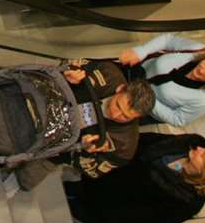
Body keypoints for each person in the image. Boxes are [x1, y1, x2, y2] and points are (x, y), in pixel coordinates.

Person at [11, 58, 154, 194]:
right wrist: (68, 74)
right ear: (121, 88)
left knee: (25, 181)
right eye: (118, 105)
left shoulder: (125, 146)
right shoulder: (108, 71)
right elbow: (69, 64)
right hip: (44, 105)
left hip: (56, 153)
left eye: (125, 116)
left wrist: (86, 151)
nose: (116, 114)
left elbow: (92, 172)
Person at [65, 133, 205, 223]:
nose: (199, 148)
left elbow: (143, 218)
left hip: (109, 202)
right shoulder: (188, 144)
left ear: (203, 172)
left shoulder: (186, 202)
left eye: (203, 155)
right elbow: (150, 140)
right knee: (73, 187)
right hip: (109, 172)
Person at [117, 35, 205, 127]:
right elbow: (168, 40)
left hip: (139, 106)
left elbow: (178, 119)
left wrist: (145, 98)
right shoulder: (196, 50)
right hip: (133, 72)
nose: (203, 71)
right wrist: (142, 50)